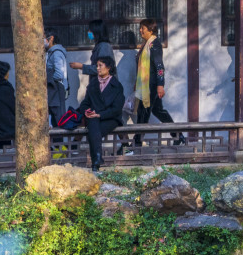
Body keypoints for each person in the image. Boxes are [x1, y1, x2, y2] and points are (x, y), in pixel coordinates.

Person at [133, 18, 185, 146]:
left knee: (143, 113)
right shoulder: (146, 44)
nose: (140, 30)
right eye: (140, 28)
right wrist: (137, 81)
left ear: (151, 30)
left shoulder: (154, 44)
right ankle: (179, 136)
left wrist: (160, 85)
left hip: (151, 86)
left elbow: (159, 67)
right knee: (158, 111)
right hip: (145, 84)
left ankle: (136, 142)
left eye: (143, 28)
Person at [77, 56, 124, 172]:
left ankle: (96, 162)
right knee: (93, 124)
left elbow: (117, 109)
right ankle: (97, 160)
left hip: (110, 118)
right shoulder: (93, 84)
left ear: (108, 68)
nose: (97, 68)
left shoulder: (116, 85)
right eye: (97, 65)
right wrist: (86, 111)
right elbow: (84, 103)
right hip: (94, 118)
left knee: (93, 132)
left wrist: (100, 115)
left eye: (100, 66)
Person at [45, 27, 69, 125]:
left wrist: (49, 79)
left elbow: (59, 74)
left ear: (51, 38)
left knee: (58, 118)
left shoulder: (57, 53)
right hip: (54, 89)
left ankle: (59, 139)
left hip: (57, 89)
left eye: (43, 38)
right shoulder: (50, 52)